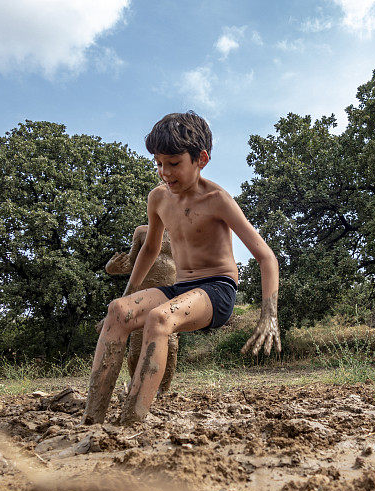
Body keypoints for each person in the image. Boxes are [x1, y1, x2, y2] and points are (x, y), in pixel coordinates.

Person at [83, 111, 280, 425]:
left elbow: (266, 257)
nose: (164, 173)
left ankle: (129, 425)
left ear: (200, 159)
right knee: (118, 311)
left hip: (216, 290)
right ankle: (92, 422)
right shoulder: (159, 199)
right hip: (178, 287)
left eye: (174, 164)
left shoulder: (218, 200)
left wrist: (269, 316)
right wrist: (129, 295)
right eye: (159, 163)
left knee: (161, 319)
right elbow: (149, 249)